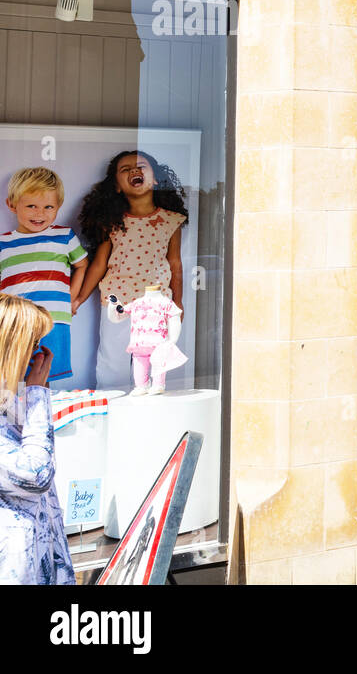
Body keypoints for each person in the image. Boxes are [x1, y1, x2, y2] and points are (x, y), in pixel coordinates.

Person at [74, 151, 187, 390]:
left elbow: (175, 264)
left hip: (156, 305)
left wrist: (178, 303)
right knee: (112, 362)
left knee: (155, 361)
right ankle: (111, 408)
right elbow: (99, 265)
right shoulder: (112, 222)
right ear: (117, 186)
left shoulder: (171, 220)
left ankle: (150, 411)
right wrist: (79, 298)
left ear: (155, 179)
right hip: (117, 302)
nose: (134, 171)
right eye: (125, 169)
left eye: (141, 167)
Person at [0, 292, 75, 584]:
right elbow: (35, 474)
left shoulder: (10, 403)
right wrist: (37, 394)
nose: (39, 353)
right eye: (32, 343)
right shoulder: (22, 401)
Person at [0, 168, 89, 384]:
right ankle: (13, 416)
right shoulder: (4, 243)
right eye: (31, 206)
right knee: (11, 375)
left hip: (53, 319)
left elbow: (82, 265)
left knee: (43, 373)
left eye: (48, 207)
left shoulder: (64, 236)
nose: (40, 214)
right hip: (15, 322)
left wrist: (73, 299)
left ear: (58, 207)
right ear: (12, 204)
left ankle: (39, 414)